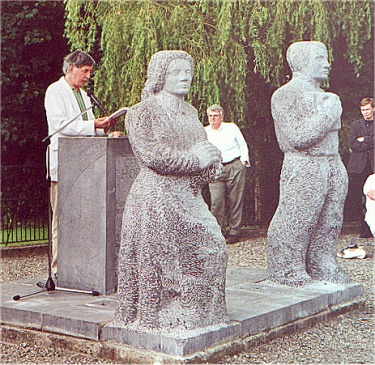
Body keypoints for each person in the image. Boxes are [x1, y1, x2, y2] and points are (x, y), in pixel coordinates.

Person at [114, 51, 228, 333]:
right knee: (165, 261)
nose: (185, 77)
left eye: (187, 70)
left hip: (189, 195)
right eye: (176, 71)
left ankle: (199, 309)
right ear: (160, 76)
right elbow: (155, 157)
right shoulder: (142, 112)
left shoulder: (190, 112)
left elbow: (202, 149)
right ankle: (168, 312)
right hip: (157, 197)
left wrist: (211, 165)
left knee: (213, 247)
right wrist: (197, 159)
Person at [267, 41, 352, 287]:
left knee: (330, 218)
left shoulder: (325, 97)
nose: (327, 64)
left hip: (332, 161)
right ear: (301, 63)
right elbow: (298, 138)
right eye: (319, 59)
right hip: (305, 164)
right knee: (298, 217)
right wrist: (328, 112)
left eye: (326, 58)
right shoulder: (285, 95)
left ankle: (321, 262)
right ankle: (286, 267)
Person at [44, 50, 113, 279]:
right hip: (64, 164)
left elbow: (86, 126)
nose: (88, 76)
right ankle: (58, 269)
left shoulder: (83, 94)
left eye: (90, 72)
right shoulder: (55, 91)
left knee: (84, 217)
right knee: (62, 219)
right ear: (71, 68)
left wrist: (103, 127)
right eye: (85, 71)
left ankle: (82, 265)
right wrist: (93, 124)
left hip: (84, 164)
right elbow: (61, 126)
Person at [204, 105, 250, 244]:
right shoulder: (204, 132)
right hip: (215, 169)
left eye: (215, 116)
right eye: (210, 116)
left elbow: (242, 144)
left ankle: (234, 232)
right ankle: (219, 232)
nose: (213, 118)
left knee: (235, 200)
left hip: (234, 166)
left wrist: (243, 161)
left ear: (221, 117)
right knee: (217, 202)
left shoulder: (231, 128)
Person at [347, 97, 374, 238]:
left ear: (373, 109)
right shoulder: (355, 125)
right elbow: (353, 144)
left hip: (373, 166)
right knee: (359, 198)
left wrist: (364, 139)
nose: (365, 112)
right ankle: (364, 228)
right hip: (359, 167)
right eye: (363, 110)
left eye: (367, 109)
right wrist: (370, 142)